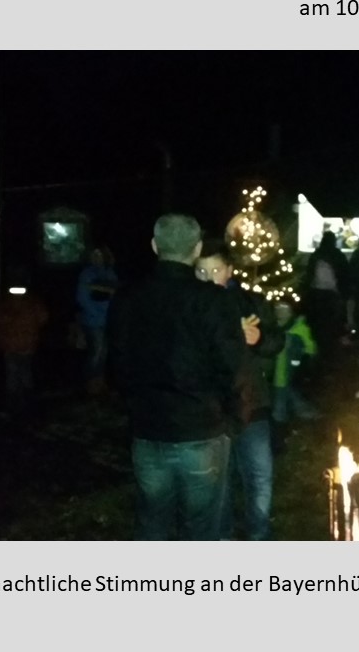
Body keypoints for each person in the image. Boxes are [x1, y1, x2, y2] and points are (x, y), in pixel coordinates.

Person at [107, 213, 244, 541]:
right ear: (197, 249)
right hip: (201, 429)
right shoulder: (213, 300)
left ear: (155, 246)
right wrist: (232, 416)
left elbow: (117, 362)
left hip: (148, 429)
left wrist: (134, 403)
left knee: (152, 522)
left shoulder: (127, 298)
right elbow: (232, 365)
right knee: (201, 528)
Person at [195, 237, 284, 541]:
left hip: (252, 402)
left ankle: (259, 536)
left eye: (215, 270)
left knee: (260, 477)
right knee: (219, 482)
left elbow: (276, 340)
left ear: (230, 270)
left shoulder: (250, 302)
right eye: (201, 272)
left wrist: (259, 339)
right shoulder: (192, 305)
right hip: (213, 408)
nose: (209, 279)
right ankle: (223, 539)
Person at [0, 267, 49, 417]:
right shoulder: (32, 301)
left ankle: (13, 404)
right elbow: (43, 317)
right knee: (25, 372)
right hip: (27, 344)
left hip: (9, 345)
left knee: (12, 374)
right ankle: (27, 402)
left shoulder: (4, 302)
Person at [302, 230, 350, 366]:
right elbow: (345, 274)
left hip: (317, 295)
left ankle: (319, 355)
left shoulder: (316, 255)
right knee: (332, 326)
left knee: (319, 325)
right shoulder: (338, 255)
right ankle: (331, 356)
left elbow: (309, 275)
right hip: (332, 295)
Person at [271, 299, 321, 428]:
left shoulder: (299, 328)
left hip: (290, 370)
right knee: (288, 392)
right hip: (276, 371)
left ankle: (280, 426)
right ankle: (304, 412)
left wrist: (302, 361)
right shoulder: (273, 327)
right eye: (278, 308)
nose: (281, 312)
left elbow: (310, 348)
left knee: (282, 399)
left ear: (291, 311)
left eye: (284, 309)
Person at [75, 246, 118, 394]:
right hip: (93, 321)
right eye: (94, 255)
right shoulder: (87, 274)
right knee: (96, 352)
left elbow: (116, 294)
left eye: (99, 254)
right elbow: (82, 298)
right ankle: (90, 383)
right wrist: (96, 313)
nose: (96, 257)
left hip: (108, 320)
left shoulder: (110, 273)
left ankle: (99, 383)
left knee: (104, 353)